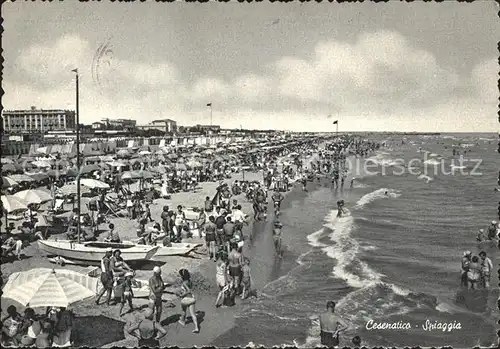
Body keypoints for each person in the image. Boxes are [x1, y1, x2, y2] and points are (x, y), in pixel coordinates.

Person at [177, 269, 200, 333]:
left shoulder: (184, 283)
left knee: (183, 311)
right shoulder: (190, 281)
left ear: (182, 276)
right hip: (192, 299)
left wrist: (181, 295)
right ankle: (196, 327)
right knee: (193, 314)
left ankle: (182, 321)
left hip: (186, 299)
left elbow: (188, 291)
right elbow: (190, 290)